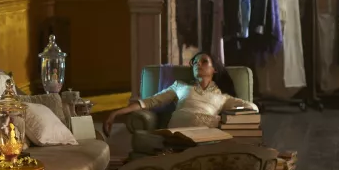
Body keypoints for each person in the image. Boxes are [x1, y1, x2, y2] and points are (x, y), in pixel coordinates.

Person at [103, 52, 258, 134]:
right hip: (176, 134)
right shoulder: (180, 86)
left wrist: (222, 120)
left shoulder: (223, 97)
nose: (198, 64)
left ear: (214, 69)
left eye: (204, 61)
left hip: (206, 136)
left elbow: (252, 108)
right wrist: (116, 113)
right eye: (195, 62)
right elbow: (150, 102)